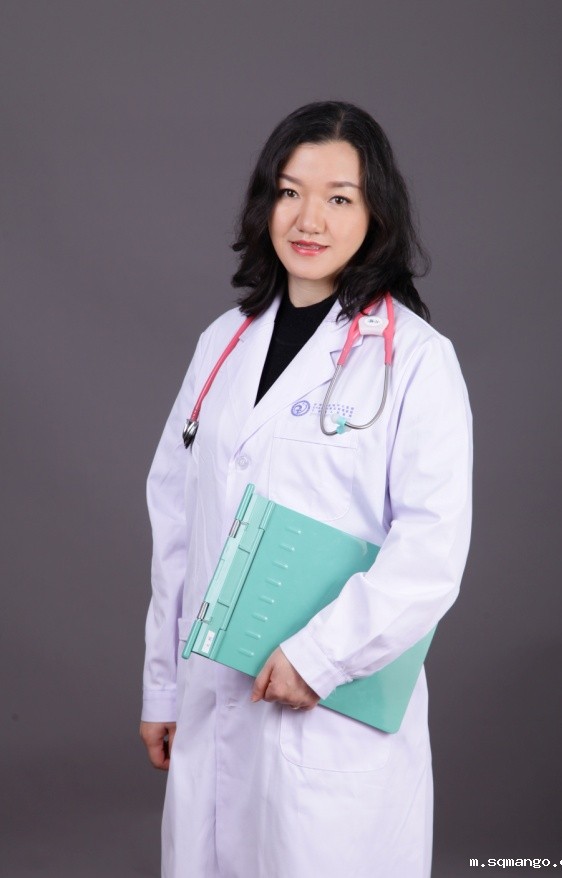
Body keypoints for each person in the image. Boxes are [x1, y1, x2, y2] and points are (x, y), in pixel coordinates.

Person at [140, 101, 472, 878]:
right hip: (211, 699)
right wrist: (163, 686)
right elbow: (176, 522)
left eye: (338, 197)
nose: (308, 219)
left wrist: (321, 656)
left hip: (328, 712)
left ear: (376, 213)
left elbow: (430, 550)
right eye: (290, 192)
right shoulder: (221, 344)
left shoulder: (415, 360)